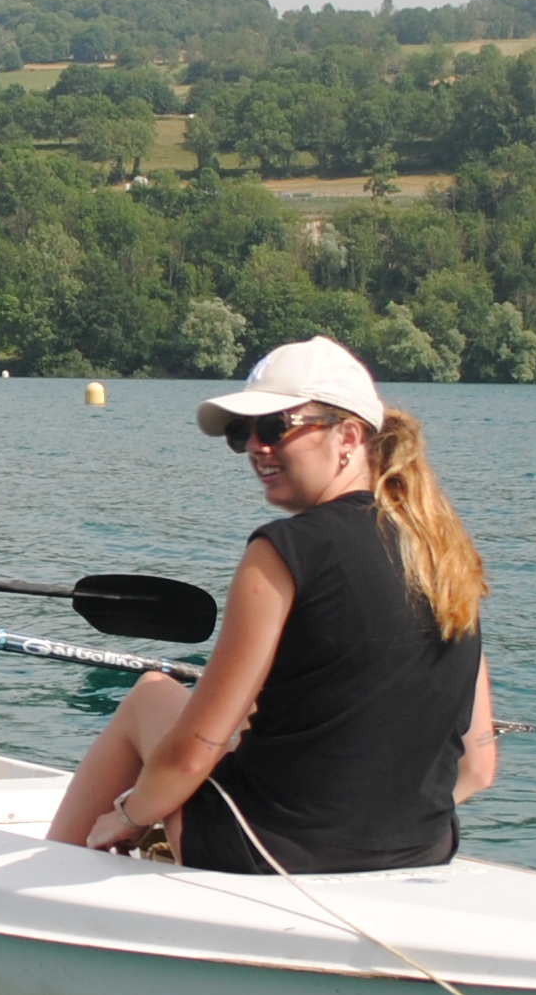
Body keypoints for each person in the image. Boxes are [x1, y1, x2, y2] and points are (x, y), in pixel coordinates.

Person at [48, 336, 495, 872]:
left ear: (348, 436)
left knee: (151, 695)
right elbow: (477, 765)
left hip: (268, 852)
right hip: (423, 851)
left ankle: (42, 877)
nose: (256, 447)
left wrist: (130, 815)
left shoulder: (280, 552)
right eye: (243, 434)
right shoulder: (445, 554)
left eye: (275, 427)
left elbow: (194, 750)